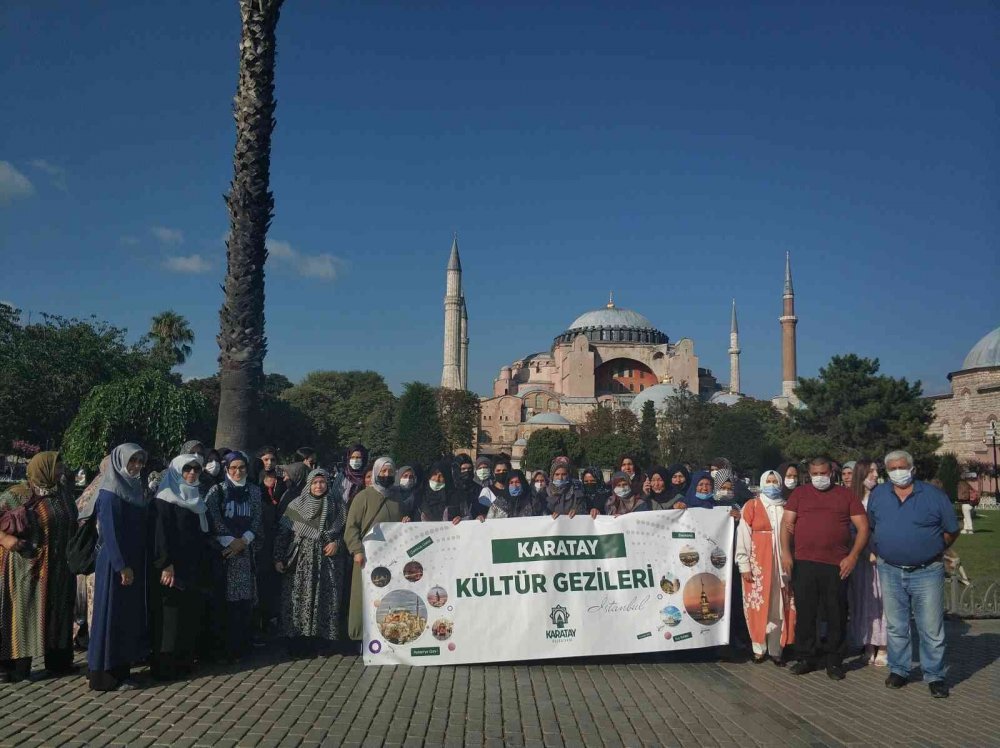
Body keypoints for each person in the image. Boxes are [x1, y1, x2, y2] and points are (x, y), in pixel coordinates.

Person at [868, 450, 958, 699]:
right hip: (890, 569)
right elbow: (871, 526)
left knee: (931, 628)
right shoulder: (879, 494)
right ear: (887, 471)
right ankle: (899, 670)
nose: (898, 472)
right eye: (893, 468)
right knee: (896, 625)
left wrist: (935, 548)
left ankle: (935, 675)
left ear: (912, 469)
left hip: (926, 571)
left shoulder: (933, 495)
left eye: (902, 467)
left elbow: (951, 530)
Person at [780, 457, 869, 680]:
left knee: (836, 613)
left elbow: (863, 527)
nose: (819, 477)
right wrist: (786, 553)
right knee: (806, 612)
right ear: (809, 474)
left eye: (823, 473)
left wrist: (853, 556)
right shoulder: (799, 494)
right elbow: (786, 524)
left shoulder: (846, 495)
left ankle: (834, 660)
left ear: (831, 473)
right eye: (815, 474)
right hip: (804, 562)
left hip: (836, 564)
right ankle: (806, 657)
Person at [0, 451, 78, 683]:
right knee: (23, 614)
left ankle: (59, 663)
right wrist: (6, 539)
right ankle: (14, 668)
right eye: (57, 467)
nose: (61, 471)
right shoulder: (17, 494)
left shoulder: (62, 493)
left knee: (58, 613)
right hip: (26, 566)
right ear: (43, 469)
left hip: (59, 565)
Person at [87, 444, 149, 691]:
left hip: (132, 561)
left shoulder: (134, 488)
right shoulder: (110, 492)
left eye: (140, 461)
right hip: (115, 563)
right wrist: (121, 566)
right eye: (132, 461)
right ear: (119, 461)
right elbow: (110, 535)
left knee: (125, 617)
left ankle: (122, 670)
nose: (137, 466)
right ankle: (105, 675)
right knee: (109, 615)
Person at [150, 453, 211, 680]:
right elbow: (160, 536)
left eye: (196, 469)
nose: (192, 473)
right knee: (170, 618)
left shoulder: (196, 498)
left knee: (187, 614)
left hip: (191, 567)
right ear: (176, 471)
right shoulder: (165, 498)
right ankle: (165, 667)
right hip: (172, 568)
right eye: (187, 469)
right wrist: (166, 564)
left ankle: (183, 662)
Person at [274, 468, 347, 657]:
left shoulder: (336, 506)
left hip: (327, 562)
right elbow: (283, 533)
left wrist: (336, 544)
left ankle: (322, 643)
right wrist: (278, 558)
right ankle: (298, 643)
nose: (318, 486)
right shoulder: (296, 504)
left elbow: (344, 532)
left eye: (322, 482)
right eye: (314, 482)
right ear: (308, 485)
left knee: (326, 599)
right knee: (299, 599)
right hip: (301, 562)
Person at [205, 451, 263, 663]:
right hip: (225, 553)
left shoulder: (253, 491)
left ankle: (242, 647)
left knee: (243, 602)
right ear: (227, 469)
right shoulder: (217, 491)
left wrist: (244, 540)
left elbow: (257, 518)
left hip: (245, 553)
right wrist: (231, 541)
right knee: (225, 601)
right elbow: (213, 517)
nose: (238, 472)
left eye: (242, 467)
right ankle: (225, 649)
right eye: (233, 468)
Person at [736, 469, 795, 665]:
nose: (771, 485)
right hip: (758, 565)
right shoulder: (751, 505)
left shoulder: (787, 506)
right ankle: (758, 648)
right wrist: (744, 564)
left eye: (774, 481)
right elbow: (743, 534)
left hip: (781, 566)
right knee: (758, 604)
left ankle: (776, 649)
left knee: (779, 606)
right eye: (768, 481)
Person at [345, 457, 406, 643]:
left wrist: (406, 523)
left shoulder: (397, 497)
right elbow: (351, 527)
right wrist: (356, 550)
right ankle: (361, 638)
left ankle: (388, 636)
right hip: (367, 557)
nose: (386, 475)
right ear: (376, 473)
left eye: (390, 471)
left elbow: (400, 524)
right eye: (383, 471)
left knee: (388, 597)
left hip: (391, 558)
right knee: (364, 597)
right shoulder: (363, 497)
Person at [846, 459, 888, 666]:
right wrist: (862, 551)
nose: (875, 475)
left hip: (881, 555)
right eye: (871, 471)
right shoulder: (852, 498)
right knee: (863, 600)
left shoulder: (883, 496)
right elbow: (849, 528)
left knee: (883, 601)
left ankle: (884, 645)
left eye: (876, 471)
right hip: (861, 556)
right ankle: (868, 643)